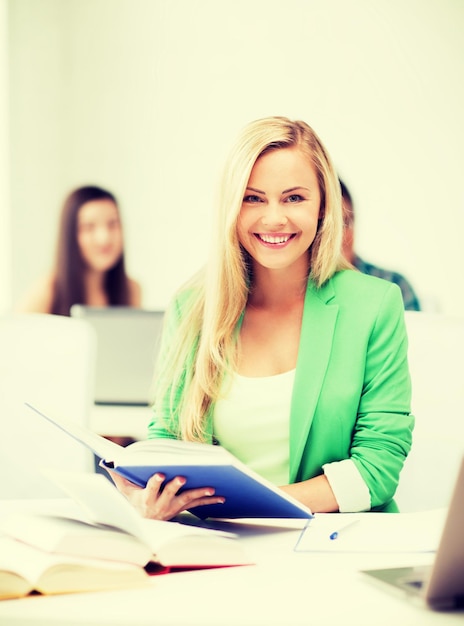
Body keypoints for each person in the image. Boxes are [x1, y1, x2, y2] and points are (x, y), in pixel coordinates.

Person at [109, 116, 414, 519]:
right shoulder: (192, 307)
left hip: (336, 546)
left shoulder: (375, 304)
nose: (274, 218)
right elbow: (166, 437)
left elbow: (378, 466)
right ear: (230, 208)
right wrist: (148, 494)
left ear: (324, 205)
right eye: (253, 198)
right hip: (221, 544)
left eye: (294, 198)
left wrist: (262, 507)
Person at [16, 185, 141, 315]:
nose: (104, 238)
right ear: (70, 234)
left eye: (113, 224)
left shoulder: (132, 290)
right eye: (89, 227)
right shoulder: (48, 291)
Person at [340, 179, 421, 311]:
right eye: (327, 226)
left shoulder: (393, 284)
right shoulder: (301, 290)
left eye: (345, 222)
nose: (339, 236)